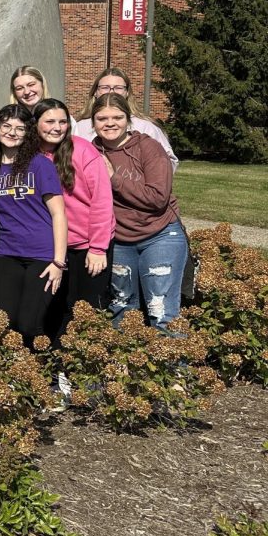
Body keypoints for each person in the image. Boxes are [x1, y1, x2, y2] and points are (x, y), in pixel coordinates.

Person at [90, 93, 187, 332]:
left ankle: (175, 368)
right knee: (121, 308)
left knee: (160, 309)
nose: (110, 123)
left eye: (117, 117)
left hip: (160, 234)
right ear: (93, 122)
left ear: (128, 119)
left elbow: (157, 197)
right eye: (102, 118)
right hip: (120, 240)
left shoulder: (148, 147)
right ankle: (124, 367)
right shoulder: (91, 151)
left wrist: (114, 178)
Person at [0, 104, 67, 348]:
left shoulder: (40, 165)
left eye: (20, 128)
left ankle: (45, 376)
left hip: (41, 255)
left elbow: (59, 213)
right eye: (7, 126)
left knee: (30, 324)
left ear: (28, 133)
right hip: (6, 253)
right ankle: (14, 378)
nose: (12, 132)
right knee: (7, 323)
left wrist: (58, 262)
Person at [32, 98, 114, 344]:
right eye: (49, 122)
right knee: (52, 309)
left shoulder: (83, 150)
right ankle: (54, 367)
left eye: (62, 122)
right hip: (51, 246)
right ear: (35, 124)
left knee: (85, 310)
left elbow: (101, 200)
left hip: (86, 246)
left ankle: (83, 369)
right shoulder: (31, 156)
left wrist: (98, 248)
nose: (57, 128)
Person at [74, 68, 179, 172]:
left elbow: (168, 161)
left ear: (127, 92)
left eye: (118, 88)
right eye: (105, 87)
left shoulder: (146, 126)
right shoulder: (78, 127)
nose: (111, 92)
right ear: (95, 92)